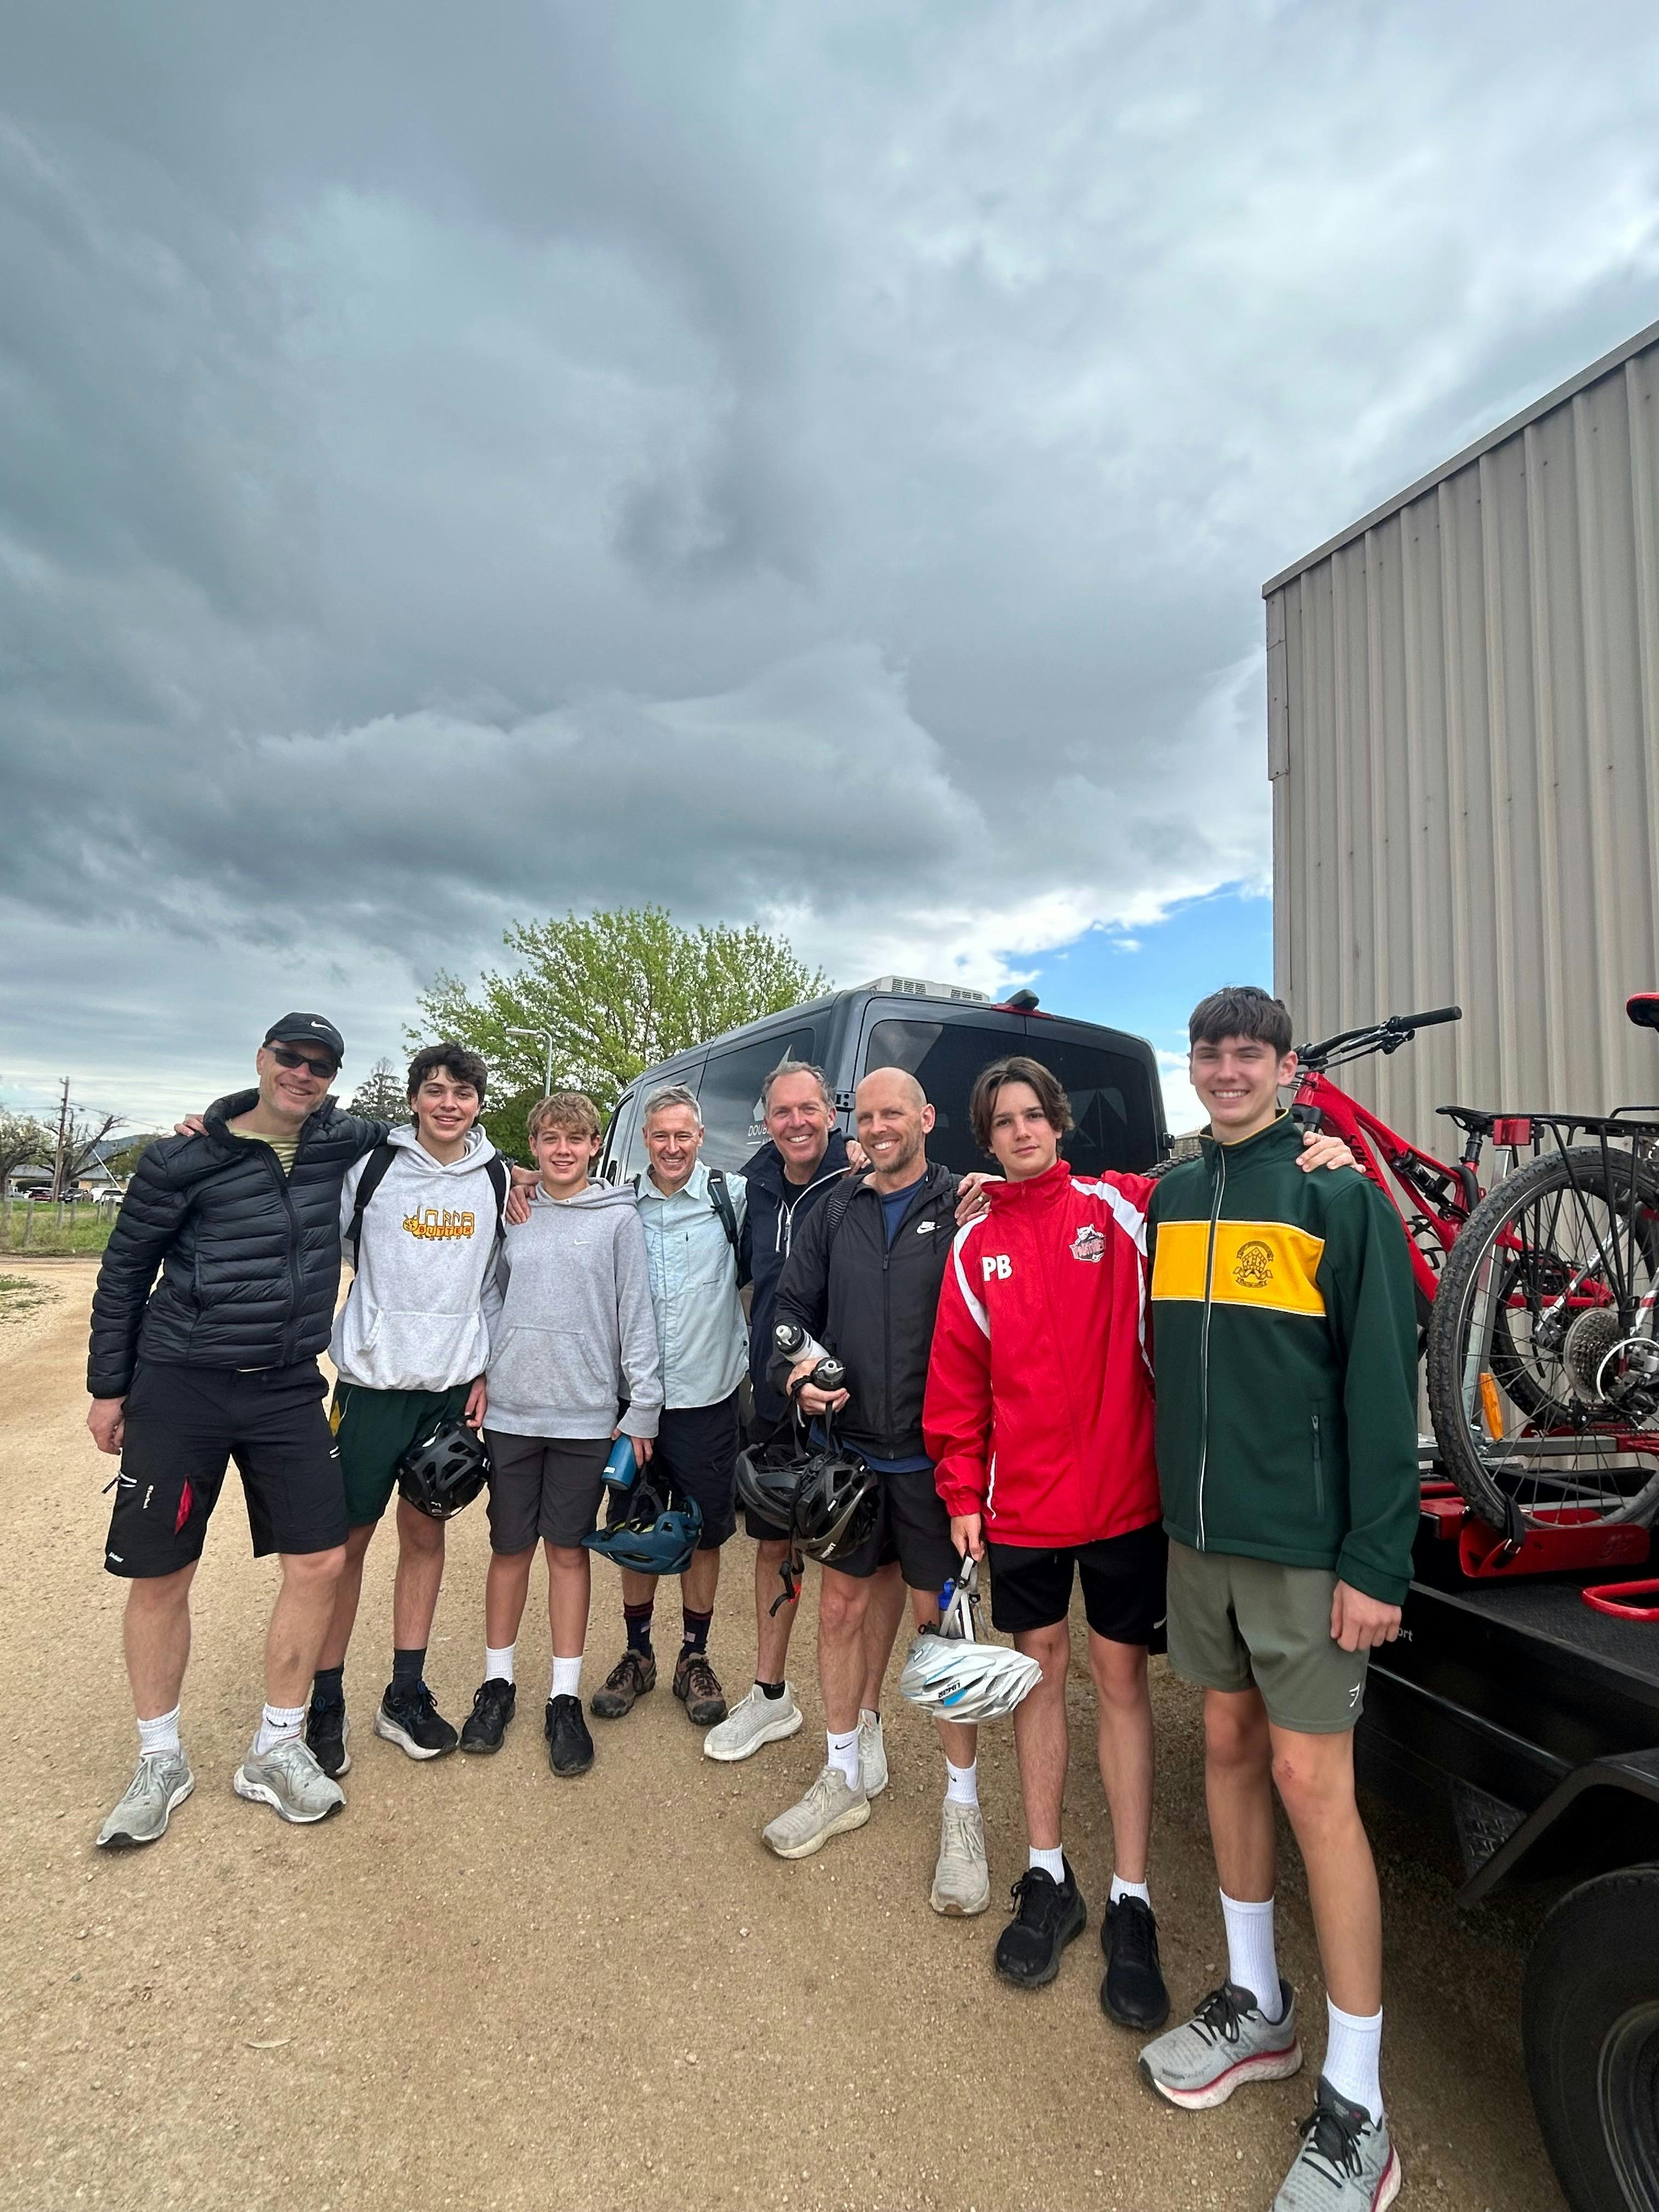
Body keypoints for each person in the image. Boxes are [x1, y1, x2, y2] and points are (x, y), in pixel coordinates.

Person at [1137, 986, 1417, 2212]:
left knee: (1319, 1790)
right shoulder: (1167, 1193)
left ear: (1288, 1068)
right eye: (1210, 1052)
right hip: (1201, 1542)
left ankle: (1359, 2101)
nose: (1228, 1069)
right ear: (1192, 1066)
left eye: (1250, 1053)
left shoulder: (1333, 1195)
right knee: (1231, 1751)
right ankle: (1259, 2006)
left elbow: (1376, 1391)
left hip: (1306, 1549)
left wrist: (1375, 1563)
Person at [87, 1014, 377, 1843]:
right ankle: (159, 1758)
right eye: (291, 1058)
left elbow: (433, 1130)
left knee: (320, 1559)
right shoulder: (183, 1157)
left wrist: (523, 1172)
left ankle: (277, 1748)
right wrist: (110, 1388)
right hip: (182, 1384)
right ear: (262, 1058)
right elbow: (125, 1271)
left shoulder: (336, 1141)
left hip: (286, 1386)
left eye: (321, 1066)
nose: (304, 1074)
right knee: (163, 1572)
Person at [924, 1056, 1170, 2018]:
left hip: (1121, 1501)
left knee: (1119, 1685)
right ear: (982, 1140)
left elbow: (1211, 1184)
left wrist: (1313, 1150)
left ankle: (1131, 1897)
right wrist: (959, 1488)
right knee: (1033, 1674)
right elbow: (955, 1383)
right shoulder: (971, 1241)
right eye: (1003, 1121)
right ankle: (1045, 1873)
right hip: (1018, 1506)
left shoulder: (1120, 1210)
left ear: (1058, 1125)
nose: (1021, 1131)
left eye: (1034, 1116)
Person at [760, 1066, 989, 1917]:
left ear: (926, 1118)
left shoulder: (964, 1204)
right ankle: (843, 1772)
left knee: (946, 1638)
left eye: (896, 1112)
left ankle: (962, 1812)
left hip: (937, 1462)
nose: (881, 1126)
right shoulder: (834, 1207)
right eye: (868, 1114)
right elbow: (791, 1309)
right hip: (853, 1456)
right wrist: (799, 1376)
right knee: (841, 1615)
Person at [301, 1043, 506, 1778]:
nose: (450, 1103)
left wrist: (486, 1366)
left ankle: (405, 1692)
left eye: (463, 1092)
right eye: (436, 1090)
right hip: (368, 1388)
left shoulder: (496, 1176)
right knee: (344, 1547)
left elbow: (495, 1279)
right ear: (415, 1099)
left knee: (425, 1539)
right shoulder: (372, 1169)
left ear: (479, 1103)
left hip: (447, 1393)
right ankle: (325, 1701)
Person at [703, 1059, 907, 1767]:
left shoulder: (858, 1176)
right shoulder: (752, 1185)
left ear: (832, 1113)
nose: (796, 1122)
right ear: (768, 1119)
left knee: (872, 1566)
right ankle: (769, 1696)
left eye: (809, 1109)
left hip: (849, 1403)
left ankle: (869, 1718)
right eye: (782, 1111)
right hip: (778, 1398)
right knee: (772, 1546)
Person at [459, 1091, 661, 1779]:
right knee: (508, 1548)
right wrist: (484, 1366)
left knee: (567, 1553)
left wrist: (643, 1409)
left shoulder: (617, 1222)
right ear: (536, 1145)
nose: (563, 1151)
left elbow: (636, 1314)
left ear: (595, 1145)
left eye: (576, 1139)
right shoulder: (514, 1212)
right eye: (550, 1139)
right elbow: (487, 1291)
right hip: (513, 1410)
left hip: (584, 1415)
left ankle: (564, 1696)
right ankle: (497, 1683)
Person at [588, 1083, 749, 1732]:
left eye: (684, 1135)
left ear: (700, 1137)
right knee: (635, 1528)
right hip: (633, 1405)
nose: (673, 1146)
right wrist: (514, 1178)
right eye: (661, 1135)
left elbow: (804, 1201)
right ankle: (638, 1652)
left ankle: (694, 1657)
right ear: (644, 1140)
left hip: (708, 1400)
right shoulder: (619, 1203)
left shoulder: (731, 1198)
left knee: (706, 1533)